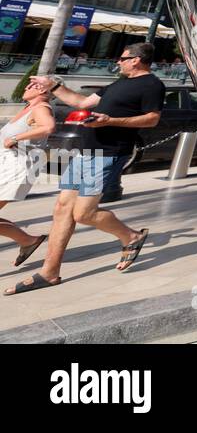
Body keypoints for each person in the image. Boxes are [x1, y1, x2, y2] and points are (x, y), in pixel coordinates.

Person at [6, 42, 162, 294]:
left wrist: (110, 120)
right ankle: (50, 272)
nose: (118, 62)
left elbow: (153, 118)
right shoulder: (117, 84)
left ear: (136, 60)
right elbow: (81, 102)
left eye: (122, 58)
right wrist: (54, 87)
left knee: (83, 214)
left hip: (108, 154)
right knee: (61, 209)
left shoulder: (153, 85)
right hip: (87, 151)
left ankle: (131, 237)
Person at [0, 79, 56, 264]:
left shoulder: (41, 108)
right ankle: (27, 240)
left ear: (42, 90)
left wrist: (16, 137)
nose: (25, 86)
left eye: (31, 85)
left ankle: (27, 240)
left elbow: (48, 127)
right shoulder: (27, 109)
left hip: (18, 167)